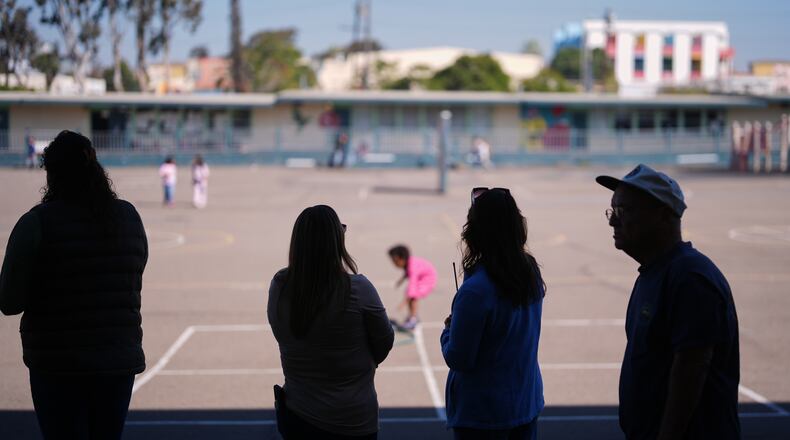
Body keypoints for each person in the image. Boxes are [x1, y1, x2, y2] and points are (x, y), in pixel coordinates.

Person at [0, 130, 148, 440]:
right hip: (116, 359)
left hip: (58, 364)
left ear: (52, 174)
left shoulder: (36, 223)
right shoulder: (130, 218)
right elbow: (135, 273)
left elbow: (9, 302)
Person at [596, 164, 740, 440]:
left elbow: (691, 368)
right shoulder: (655, 271)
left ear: (663, 215)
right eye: (612, 211)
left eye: (624, 211)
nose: (613, 221)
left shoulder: (690, 278)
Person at [268, 205, 394, 439]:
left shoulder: (280, 285)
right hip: (351, 420)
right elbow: (384, 345)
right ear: (337, 242)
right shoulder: (358, 289)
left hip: (298, 417)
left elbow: (280, 332)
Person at [441, 187, 545, 439]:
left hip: (484, 415)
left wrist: (448, 331)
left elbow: (459, 358)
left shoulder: (476, 292)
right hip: (524, 402)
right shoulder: (530, 272)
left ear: (475, 232)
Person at [388, 244, 437, 330]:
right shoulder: (408, 263)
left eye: (395, 261)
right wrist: (401, 281)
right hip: (423, 277)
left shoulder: (412, 267)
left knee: (413, 296)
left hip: (428, 279)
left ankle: (413, 319)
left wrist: (403, 302)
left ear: (402, 259)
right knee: (410, 294)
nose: (394, 264)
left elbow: (412, 286)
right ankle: (412, 316)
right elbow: (406, 273)